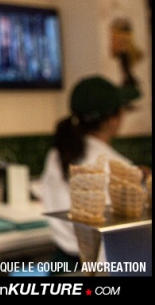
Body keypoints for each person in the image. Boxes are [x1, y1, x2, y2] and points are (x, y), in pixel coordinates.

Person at [39, 75, 142, 270]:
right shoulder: (119, 167)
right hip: (98, 270)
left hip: (61, 265)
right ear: (112, 120)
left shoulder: (56, 154)